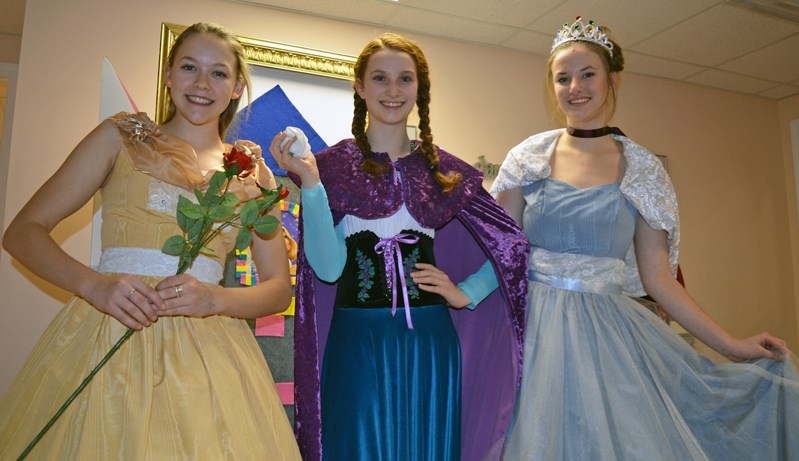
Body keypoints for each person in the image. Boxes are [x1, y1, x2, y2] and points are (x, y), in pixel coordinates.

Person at [492, 16, 799, 460]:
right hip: (530, 333)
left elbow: (660, 279)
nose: (574, 87)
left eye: (587, 74)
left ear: (612, 79)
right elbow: (501, 253)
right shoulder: (528, 157)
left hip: (609, 339)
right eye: (562, 78)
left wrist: (731, 344)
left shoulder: (642, 169)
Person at [0, 22, 301, 460]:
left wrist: (214, 299)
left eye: (219, 73)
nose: (202, 84)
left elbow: (278, 288)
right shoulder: (118, 138)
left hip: (211, 359)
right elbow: (22, 232)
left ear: (237, 87)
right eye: (189, 67)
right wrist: (95, 286)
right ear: (168, 74)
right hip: (106, 333)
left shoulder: (254, 174)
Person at [270, 33, 529, 461]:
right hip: (358, 339)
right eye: (380, 78)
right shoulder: (331, 167)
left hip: (429, 340)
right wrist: (312, 186)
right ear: (359, 86)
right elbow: (328, 268)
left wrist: (466, 293)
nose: (393, 91)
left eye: (405, 79)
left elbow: (511, 242)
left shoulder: (444, 170)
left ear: (419, 90)